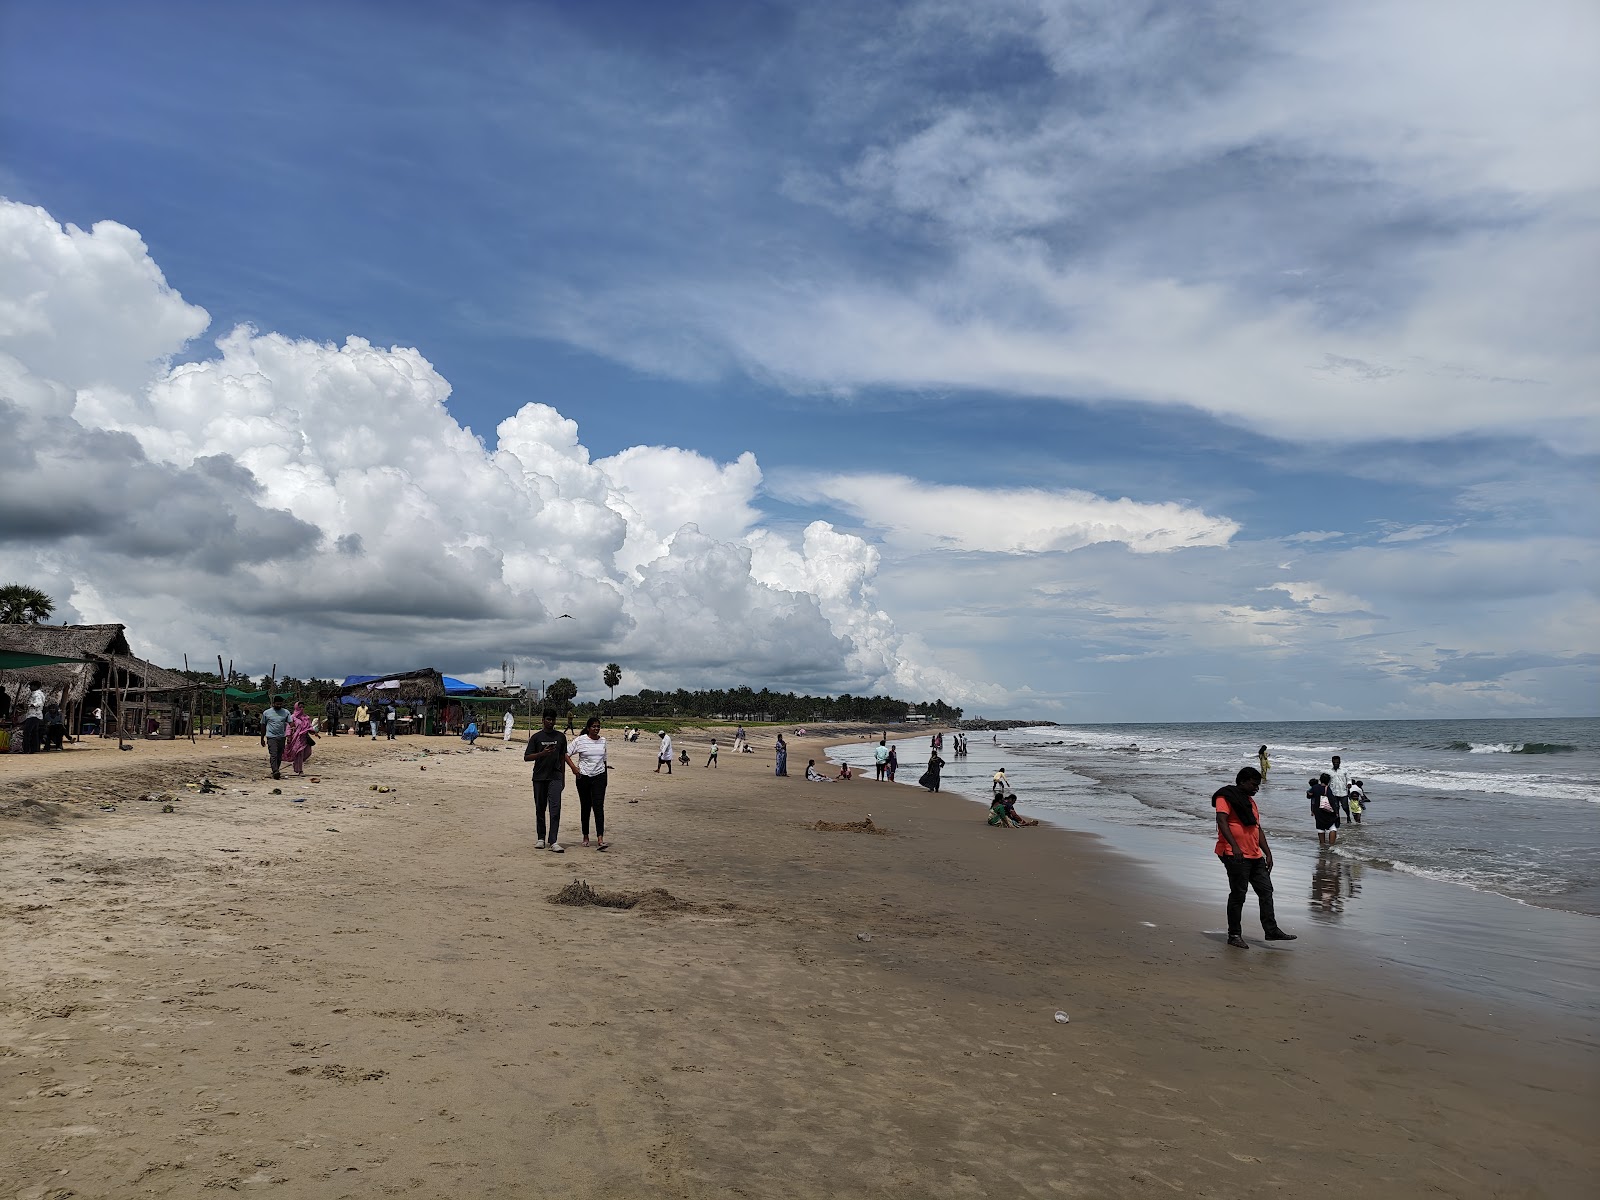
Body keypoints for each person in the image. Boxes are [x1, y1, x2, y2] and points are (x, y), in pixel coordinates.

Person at [1214, 766, 1296, 949]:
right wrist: (1234, 846)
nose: (1256, 788)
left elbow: (1257, 828)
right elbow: (1221, 821)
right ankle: (1234, 935)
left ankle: (1271, 930)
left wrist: (1268, 852)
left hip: (1254, 854)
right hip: (1233, 854)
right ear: (1242, 781)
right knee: (1238, 894)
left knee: (1266, 890)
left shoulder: (1250, 802)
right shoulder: (1225, 797)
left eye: (1258, 785)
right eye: (1253, 784)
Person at [524, 708, 567, 852]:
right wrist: (542, 754)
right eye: (548, 719)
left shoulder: (561, 737)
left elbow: (562, 758)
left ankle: (553, 840)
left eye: (553, 720)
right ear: (543, 720)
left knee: (555, 810)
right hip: (539, 777)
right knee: (540, 808)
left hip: (555, 777)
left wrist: (563, 778)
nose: (551, 722)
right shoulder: (536, 738)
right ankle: (540, 838)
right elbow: (527, 757)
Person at [566, 715, 610, 850]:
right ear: (588, 728)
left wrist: (605, 779)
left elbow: (604, 760)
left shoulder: (603, 741)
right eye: (593, 726)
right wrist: (574, 768)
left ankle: (600, 838)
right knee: (585, 807)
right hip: (583, 777)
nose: (596, 729)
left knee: (598, 807)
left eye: (598, 726)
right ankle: (585, 836)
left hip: (599, 777)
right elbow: (565, 753)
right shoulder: (581, 740)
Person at [260, 695, 292, 779]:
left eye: (280, 704)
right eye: (277, 704)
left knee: (279, 755)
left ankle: (276, 769)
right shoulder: (266, 713)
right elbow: (263, 725)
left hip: (281, 737)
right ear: (273, 703)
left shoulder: (286, 712)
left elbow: (291, 723)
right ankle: (275, 771)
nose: (279, 706)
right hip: (271, 737)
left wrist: (293, 730)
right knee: (273, 754)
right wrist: (262, 738)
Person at [285, 701, 315, 776]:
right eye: (300, 707)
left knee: (308, 752)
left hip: (305, 737)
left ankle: (297, 763)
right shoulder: (292, 717)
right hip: (296, 738)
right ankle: (300, 770)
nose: (301, 708)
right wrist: (288, 736)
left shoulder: (306, 717)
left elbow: (309, 726)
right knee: (299, 753)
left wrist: (312, 731)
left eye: (303, 707)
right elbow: (289, 727)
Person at [1309, 773, 1338, 847]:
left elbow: (1309, 796)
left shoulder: (1315, 787)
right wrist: (1336, 811)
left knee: (1320, 828)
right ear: (1328, 781)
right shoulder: (1327, 789)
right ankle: (1331, 846)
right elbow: (1332, 801)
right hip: (1327, 811)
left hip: (1317, 811)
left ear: (1320, 779)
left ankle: (1322, 845)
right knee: (1332, 827)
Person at [21, 680, 45, 754]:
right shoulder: (40, 693)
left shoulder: (36, 694)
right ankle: (34, 749)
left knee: (27, 732)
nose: (30, 688)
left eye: (31, 686)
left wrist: (30, 705)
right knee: (34, 733)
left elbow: (39, 703)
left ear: (35, 686)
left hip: (33, 715)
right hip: (36, 715)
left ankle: (26, 749)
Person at [1328, 755, 1354, 822]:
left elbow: (1349, 779)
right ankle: (1337, 818)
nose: (1336, 763)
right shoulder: (1329, 771)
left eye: (1337, 762)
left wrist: (1349, 784)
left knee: (1345, 806)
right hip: (1333, 792)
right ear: (1332, 762)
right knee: (1336, 807)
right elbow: (1327, 782)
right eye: (1334, 762)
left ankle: (1348, 816)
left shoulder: (1344, 770)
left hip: (1343, 792)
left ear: (1340, 762)